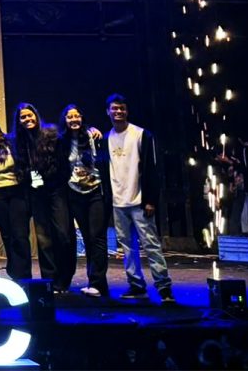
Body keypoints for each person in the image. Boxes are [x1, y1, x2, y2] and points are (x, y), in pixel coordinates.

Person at [101, 94, 174, 303]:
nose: (118, 112)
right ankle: (136, 285)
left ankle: (164, 287)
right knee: (127, 247)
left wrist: (151, 200)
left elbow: (152, 169)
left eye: (121, 108)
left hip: (139, 201)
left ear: (127, 111)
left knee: (151, 245)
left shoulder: (141, 134)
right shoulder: (105, 139)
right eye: (114, 108)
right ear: (108, 112)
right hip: (118, 202)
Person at [11, 102, 74, 294]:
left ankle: (64, 278)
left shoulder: (51, 135)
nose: (27, 119)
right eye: (23, 117)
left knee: (63, 235)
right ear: (19, 121)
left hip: (56, 190)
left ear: (36, 116)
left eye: (29, 115)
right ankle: (50, 281)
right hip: (36, 193)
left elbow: (63, 162)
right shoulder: (19, 142)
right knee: (44, 239)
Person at [60, 105, 109, 298]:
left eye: (76, 116)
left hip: (95, 191)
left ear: (82, 118)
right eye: (69, 117)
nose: (73, 119)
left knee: (97, 236)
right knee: (88, 237)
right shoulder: (63, 141)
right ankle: (95, 282)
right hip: (75, 193)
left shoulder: (92, 136)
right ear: (65, 120)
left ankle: (98, 283)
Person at [0, 119, 31, 280]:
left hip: (17, 193)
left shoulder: (12, 144)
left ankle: (24, 275)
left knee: (20, 235)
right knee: (7, 236)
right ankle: (14, 272)